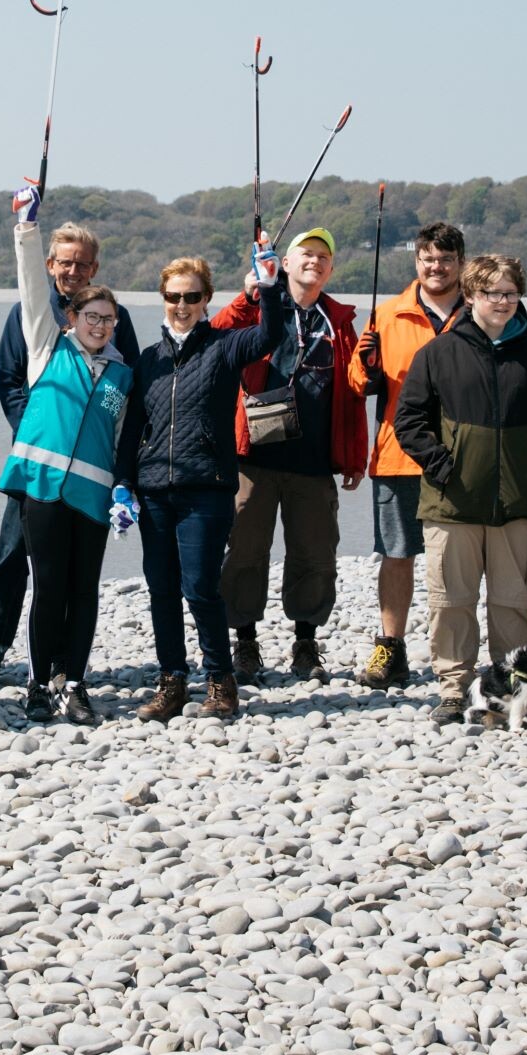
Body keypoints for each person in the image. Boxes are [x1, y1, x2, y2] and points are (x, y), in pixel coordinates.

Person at [392, 254, 527, 728]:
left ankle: (520, 692)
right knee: (451, 604)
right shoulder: (439, 353)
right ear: (470, 296)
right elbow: (408, 421)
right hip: (451, 506)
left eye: (511, 293)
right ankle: (454, 691)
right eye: (493, 293)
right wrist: (443, 466)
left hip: (514, 507)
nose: (503, 301)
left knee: (514, 605)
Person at [0, 219, 141, 691]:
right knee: (10, 560)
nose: (73, 270)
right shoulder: (31, 315)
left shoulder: (112, 325)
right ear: (50, 264)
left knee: (72, 578)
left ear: (95, 268)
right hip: (35, 468)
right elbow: (8, 380)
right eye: (65, 262)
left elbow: (128, 405)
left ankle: (64, 667)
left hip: (86, 480)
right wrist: (37, 434)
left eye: (82, 264)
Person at [124, 255, 279, 722]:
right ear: (163, 299)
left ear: (207, 299)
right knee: (162, 589)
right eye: (174, 297)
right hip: (153, 490)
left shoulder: (225, 346)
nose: (183, 305)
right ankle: (171, 681)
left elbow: (272, 335)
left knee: (201, 587)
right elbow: (133, 427)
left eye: (192, 296)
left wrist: (269, 287)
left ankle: (220, 679)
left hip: (207, 488)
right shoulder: (147, 360)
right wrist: (121, 483)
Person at [214, 223, 367, 683]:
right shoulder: (262, 304)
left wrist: (354, 457)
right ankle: (244, 643)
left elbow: (355, 391)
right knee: (243, 551)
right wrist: (250, 294)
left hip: (314, 462)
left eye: (324, 256)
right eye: (306, 253)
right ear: (286, 262)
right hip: (254, 458)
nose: (314, 262)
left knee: (316, 555)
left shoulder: (338, 321)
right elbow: (216, 335)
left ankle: (305, 641)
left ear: (331, 268)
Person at [350, 221, 466, 689]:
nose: (435, 267)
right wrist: (365, 361)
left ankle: (454, 653)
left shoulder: (478, 313)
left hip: (460, 458)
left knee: (455, 560)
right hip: (398, 455)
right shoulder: (389, 313)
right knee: (397, 555)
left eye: (445, 259)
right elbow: (359, 385)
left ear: (460, 263)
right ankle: (391, 648)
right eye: (427, 259)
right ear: (416, 260)